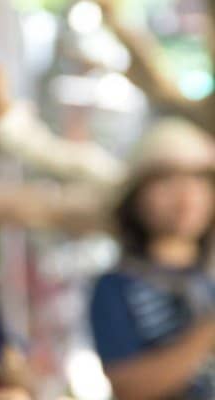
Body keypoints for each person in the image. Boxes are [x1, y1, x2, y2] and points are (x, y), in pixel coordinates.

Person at [90, 118, 215, 399]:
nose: (186, 195)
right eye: (166, 180)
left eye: (198, 180)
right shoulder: (116, 286)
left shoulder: (208, 277)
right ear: (136, 198)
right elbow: (128, 387)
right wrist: (204, 336)